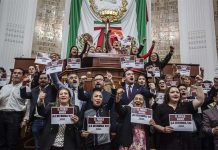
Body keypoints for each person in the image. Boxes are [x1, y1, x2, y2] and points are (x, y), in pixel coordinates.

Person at [20, 73, 57, 150]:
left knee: (48, 143)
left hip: (49, 120)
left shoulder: (53, 89)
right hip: (36, 120)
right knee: (37, 143)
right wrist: (23, 84)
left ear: (49, 80)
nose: (42, 80)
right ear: (38, 80)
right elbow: (24, 95)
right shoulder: (34, 90)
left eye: (44, 78)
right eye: (41, 78)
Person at [0, 68, 30, 150]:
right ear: (12, 75)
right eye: (14, 73)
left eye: (19, 73)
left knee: (12, 142)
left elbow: (28, 105)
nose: (16, 74)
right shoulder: (4, 87)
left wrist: (25, 120)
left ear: (23, 76)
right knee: (1, 141)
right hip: (1, 114)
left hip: (15, 116)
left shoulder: (25, 88)